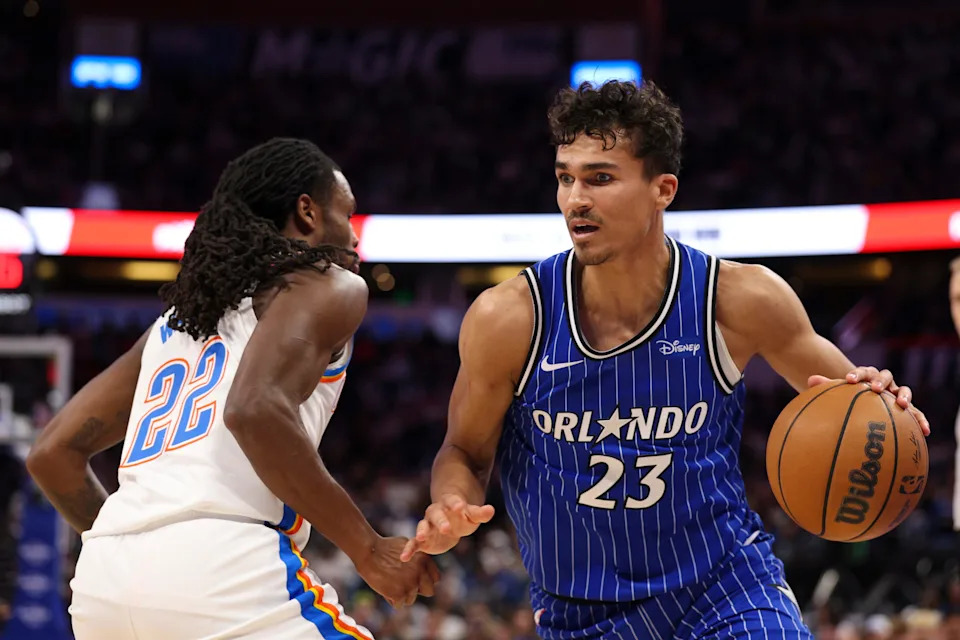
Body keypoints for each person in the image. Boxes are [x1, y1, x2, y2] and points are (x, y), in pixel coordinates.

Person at [401, 81, 930, 638]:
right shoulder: (508, 318)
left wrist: (877, 398)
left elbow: (848, 396)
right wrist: (450, 502)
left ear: (663, 189)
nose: (575, 198)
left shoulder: (738, 299)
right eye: (565, 177)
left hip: (724, 586)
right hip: (580, 609)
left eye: (600, 178)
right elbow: (463, 449)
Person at [26, 138, 438, 639]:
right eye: (347, 216)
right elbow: (253, 409)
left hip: (102, 585)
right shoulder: (331, 285)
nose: (354, 239)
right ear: (307, 213)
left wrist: (135, 545)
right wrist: (368, 550)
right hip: (221, 566)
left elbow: (51, 452)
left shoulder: (172, 326)